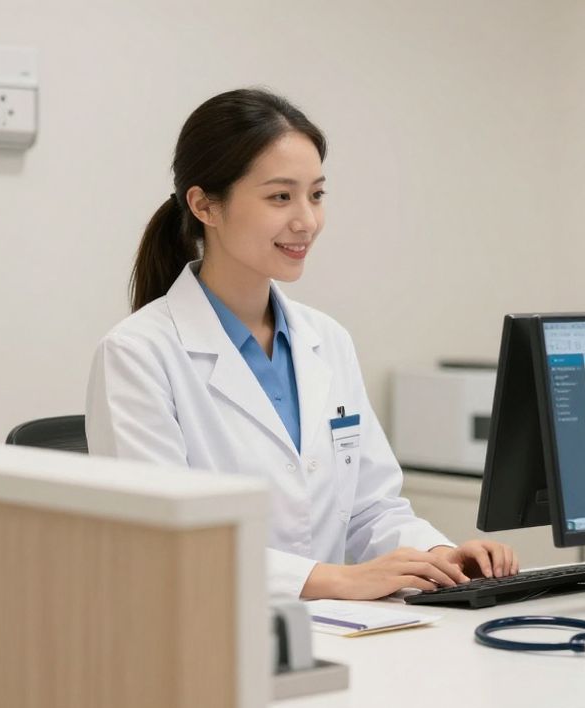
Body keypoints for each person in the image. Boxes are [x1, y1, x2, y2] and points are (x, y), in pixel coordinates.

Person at [87, 89, 518, 599]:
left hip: (337, 632)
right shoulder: (138, 354)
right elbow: (161, 542)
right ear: (205, 205)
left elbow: (370, 509)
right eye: (279, 197)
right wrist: (331, 578)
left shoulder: (327, 340)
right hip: (204, 639)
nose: (306, 221)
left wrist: (435, 556)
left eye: (315, 194)